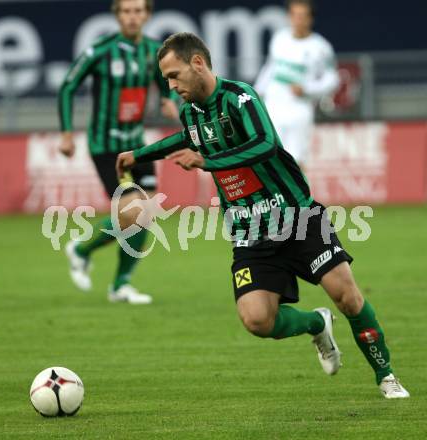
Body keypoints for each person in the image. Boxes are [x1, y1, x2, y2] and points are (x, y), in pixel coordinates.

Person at [116, 32, 409, 398]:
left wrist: (208, 162)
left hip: (297, 217)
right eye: (167, 80)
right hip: (249, 231)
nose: (171, 86)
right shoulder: (192, 113)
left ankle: (386, 375)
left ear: (197, 63)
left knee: (348, 297)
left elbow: (264, 143)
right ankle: (317, 324)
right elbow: (187, 138)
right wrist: (139, 154)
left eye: (174, 75)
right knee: (257, 320)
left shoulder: (241, 97)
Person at [58, 0, 179, 304]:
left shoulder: (153, 51)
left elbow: (162, 77)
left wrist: (166, 98)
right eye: (126, 11)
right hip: (106, 146)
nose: (132, 17)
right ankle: (81, 249)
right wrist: (67, 133)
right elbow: (68, 86)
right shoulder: (100, 50)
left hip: (137, 145)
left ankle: (119, 284)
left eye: (138, 11)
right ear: (117, 15)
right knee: (135, 210)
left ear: (147, 15)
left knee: (144, 215)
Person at [254, 0, 339, 166]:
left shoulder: (320, 47)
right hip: (274, 107)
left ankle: (300, 192)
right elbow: (270, 68)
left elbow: (332, 80)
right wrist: (256, 92)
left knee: (297, 161)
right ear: (289, 17)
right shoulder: (280, 39)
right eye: (294, 15)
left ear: (310, 19)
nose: (298, 20)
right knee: (270, 158)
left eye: (303, 16)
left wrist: (307, 89)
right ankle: (274, 193)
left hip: (299, 110)